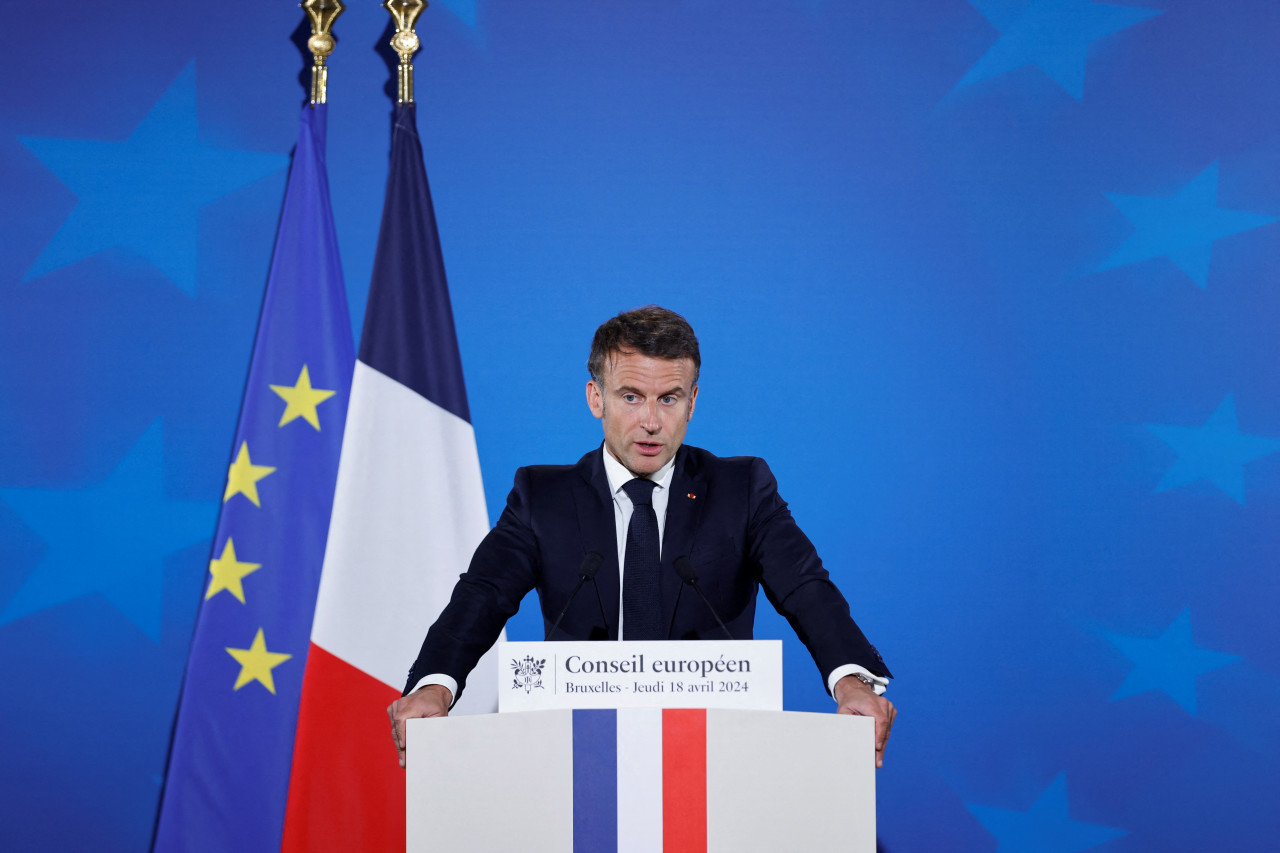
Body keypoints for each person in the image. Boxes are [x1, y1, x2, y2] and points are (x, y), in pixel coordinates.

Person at [388, 306, 896, 766]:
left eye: (669, 398)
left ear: (692, 401)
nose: (651, 422)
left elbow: (804, 586)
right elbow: (484, 594)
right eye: (631, 397)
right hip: (579, 757)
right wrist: (435, 684)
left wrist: (851, 679)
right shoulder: (541, 496)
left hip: (716, 755)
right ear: (596, 397)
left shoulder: (741, 490)